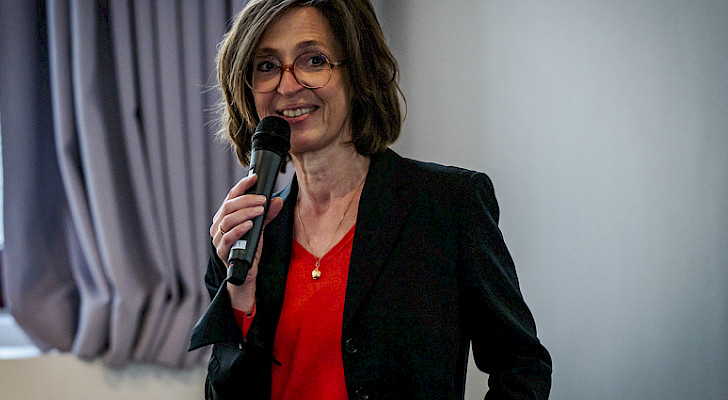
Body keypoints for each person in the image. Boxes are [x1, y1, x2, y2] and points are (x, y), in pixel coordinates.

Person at [189, 0, 552, 398]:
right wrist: (239, 296)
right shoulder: (244, 234)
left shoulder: (448, 205)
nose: (287, 86)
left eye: (314, 60)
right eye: (267, 66)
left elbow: (521, 367)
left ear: (358, 73)